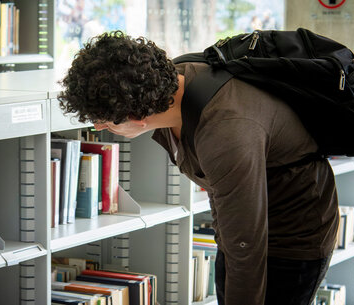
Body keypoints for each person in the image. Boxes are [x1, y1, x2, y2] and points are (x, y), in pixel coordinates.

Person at [58, 31, 339, 305]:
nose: (97, 127)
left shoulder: (225, 132)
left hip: (294, 236)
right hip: (239, 230)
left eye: (105, 121)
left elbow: (247, 248)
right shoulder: (165, 83)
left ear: (137, 117)